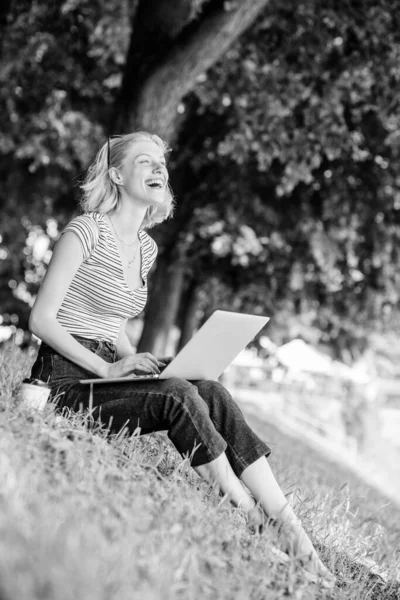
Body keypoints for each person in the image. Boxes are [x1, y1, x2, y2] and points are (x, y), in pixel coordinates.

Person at [28, 132, 334, 584]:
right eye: (145, 162)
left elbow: (110, 322)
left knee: (208, 390)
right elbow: (42, 319)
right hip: (63, 382)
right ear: (116, 174)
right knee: (177, 397)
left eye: (161, 162)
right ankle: (254, 524)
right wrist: (108, 369)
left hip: (104, 370)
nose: (159, 169)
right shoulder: (85, 231)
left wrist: (136, 360)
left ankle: (295, 535)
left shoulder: (145, 248)